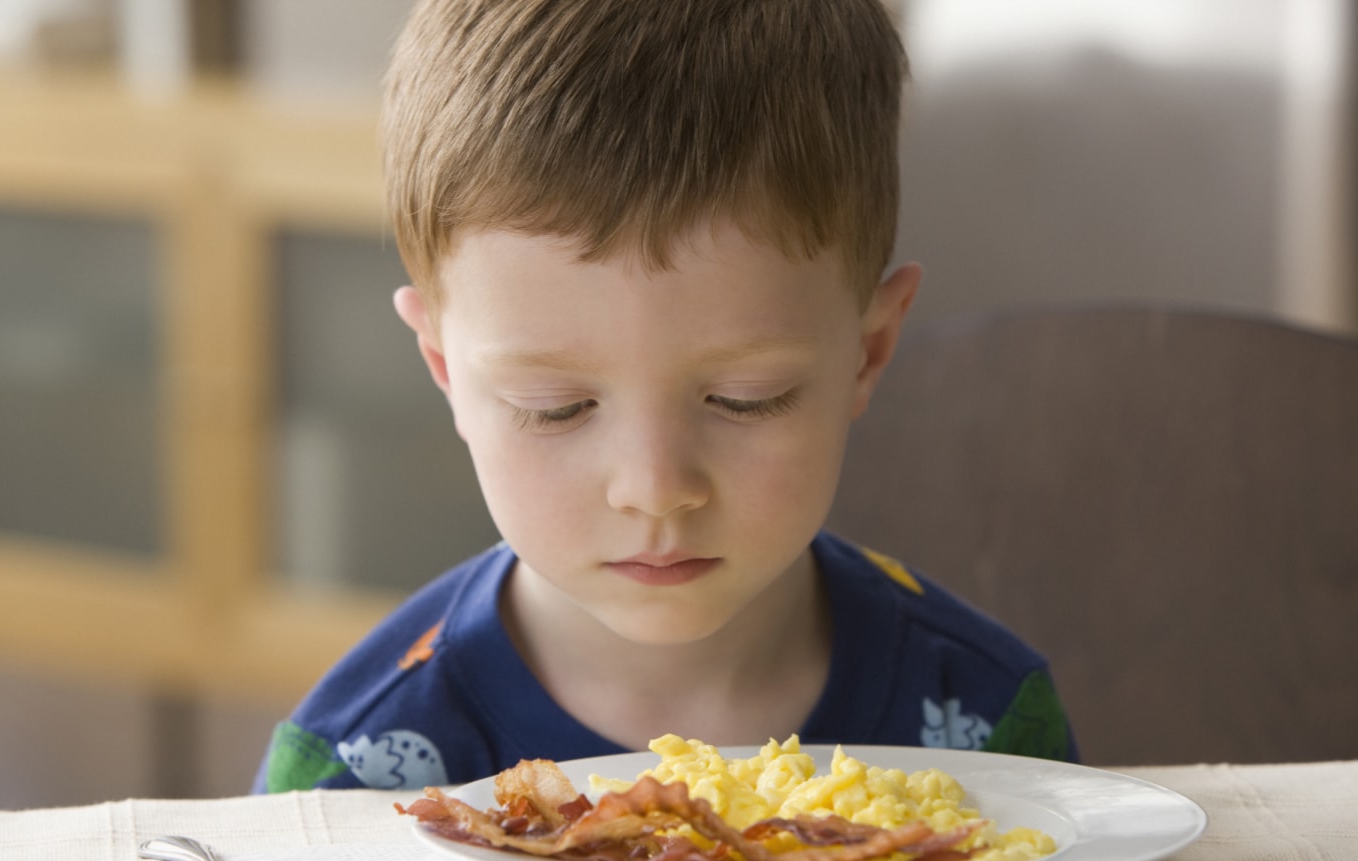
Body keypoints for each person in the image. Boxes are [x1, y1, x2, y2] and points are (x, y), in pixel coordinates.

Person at [255, 0, 1077, 794]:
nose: (655, 487)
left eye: (746, 398)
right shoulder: (349, 775)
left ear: (868, 352)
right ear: (442, 366)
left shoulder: (991, 726)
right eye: (556, 406)